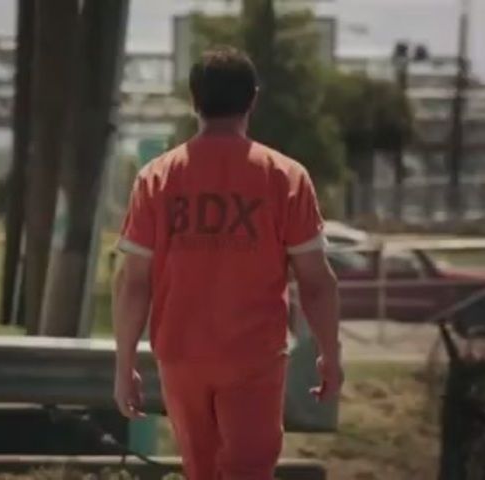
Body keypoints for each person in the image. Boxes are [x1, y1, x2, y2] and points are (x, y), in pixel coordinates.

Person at [112, 46, 342, 480]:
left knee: (201, 472)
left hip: (181, 355)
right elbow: (316, 282)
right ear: (252, 99)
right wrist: (329, 354)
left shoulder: (156, 179)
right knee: (249, 470)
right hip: (253, 356)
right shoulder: (285, 177)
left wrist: (124, 365)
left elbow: (134, 283)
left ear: (194, 100)